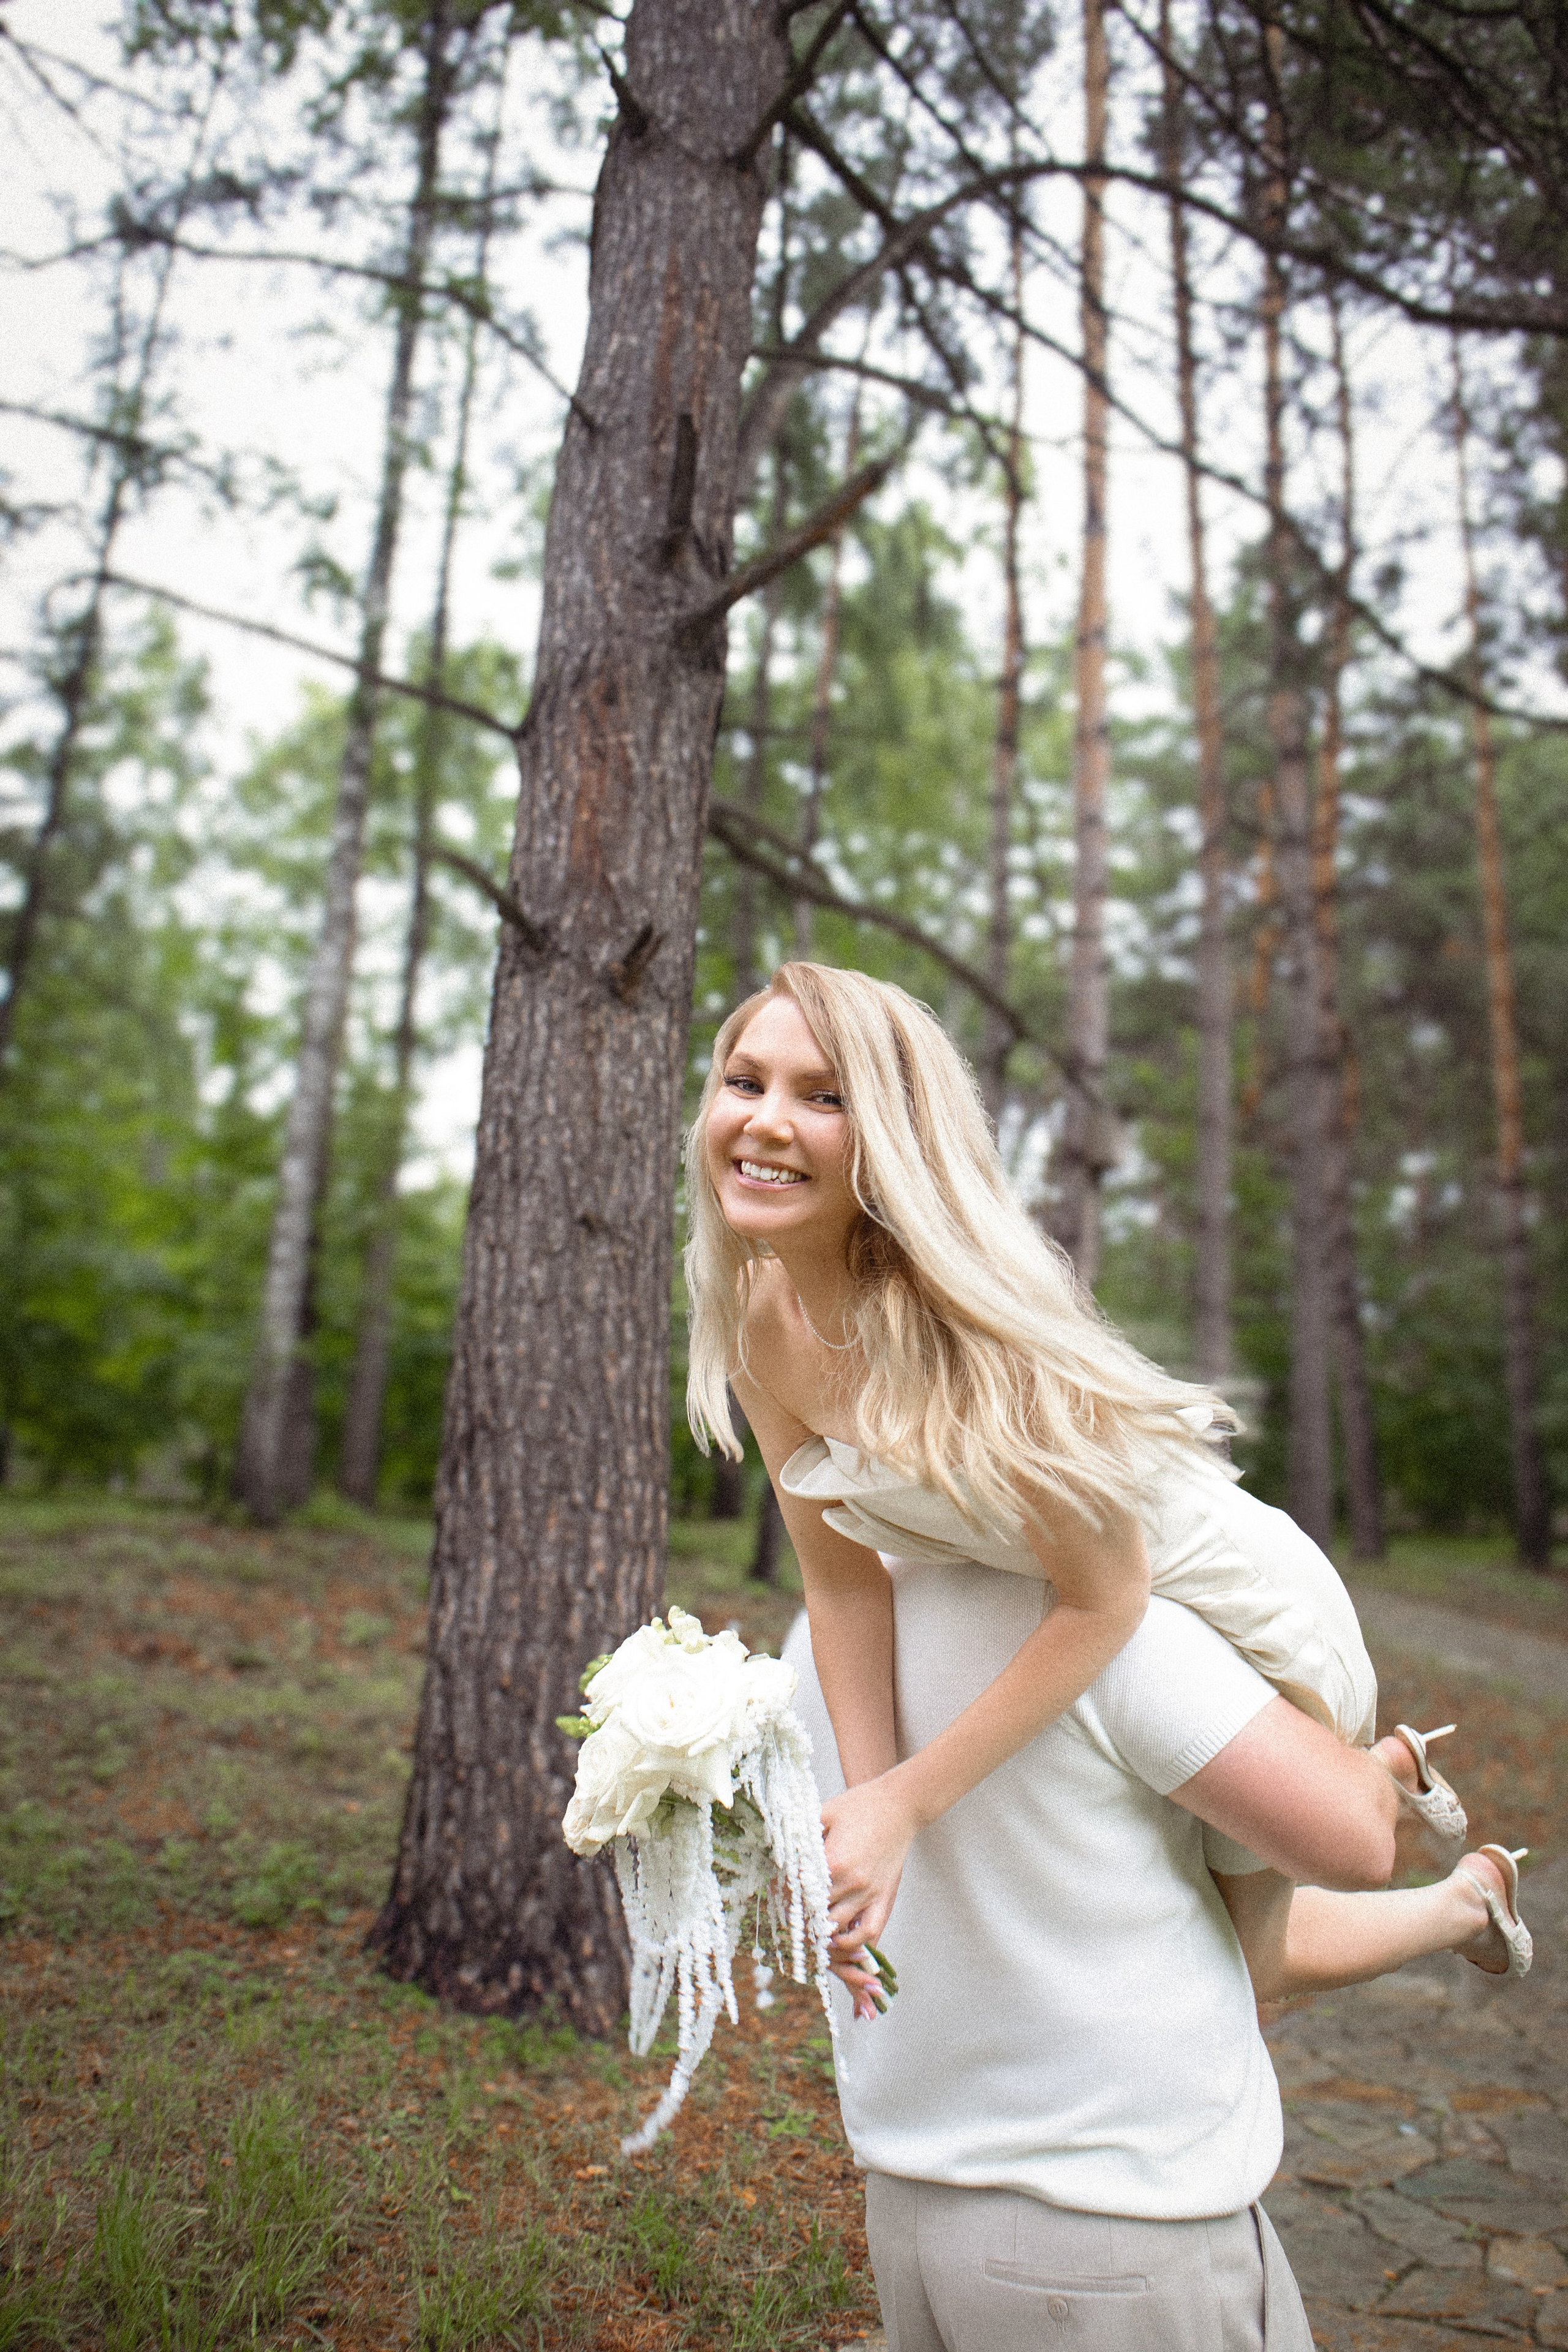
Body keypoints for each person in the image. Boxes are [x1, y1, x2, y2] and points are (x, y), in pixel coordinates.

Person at [684, 961, 1533, 2350]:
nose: (765, 1119)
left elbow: (1104, 1597)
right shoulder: (764, 1315)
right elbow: (840, 1589)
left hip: (1229, 1604)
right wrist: (867, 1810)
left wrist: (913, 1800)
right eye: (745, 1080)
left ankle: (1371, 1775)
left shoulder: (959, 1343)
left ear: (886, 1133)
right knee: (1246, 1962)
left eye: (819, 1095)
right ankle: (1463, 1896)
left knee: (1277, 1932)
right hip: (1094, 1601)